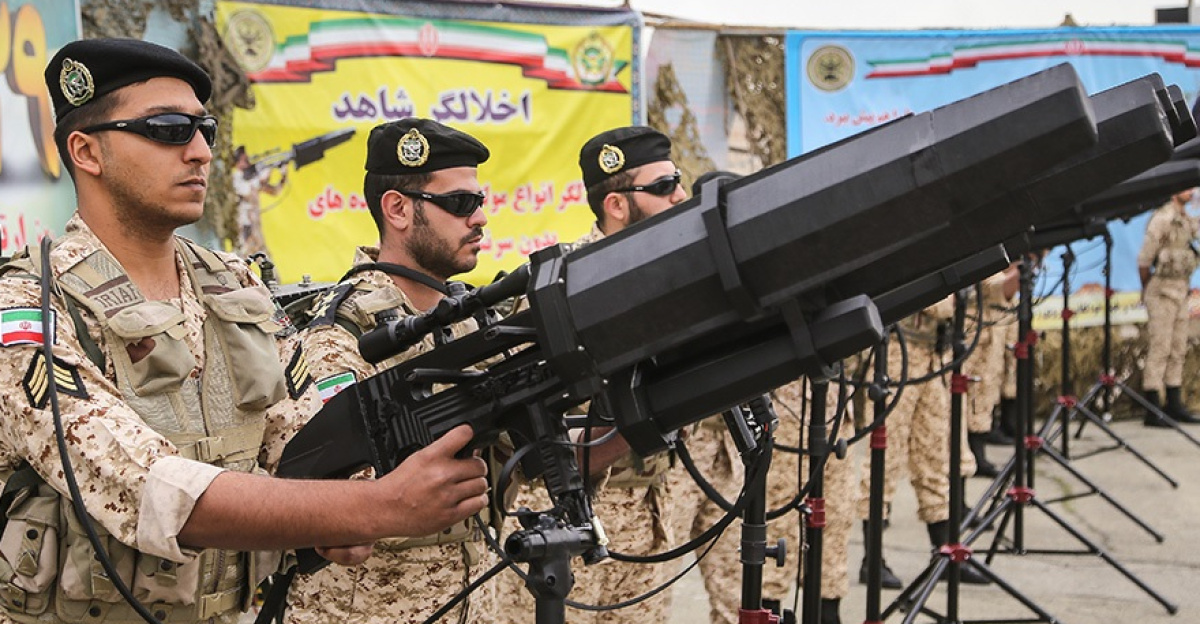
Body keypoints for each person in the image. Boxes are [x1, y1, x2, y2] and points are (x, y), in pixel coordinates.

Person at [0, 38, 488, 624]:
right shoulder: (29, 301)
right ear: (87, 151)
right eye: (169, 129)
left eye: (205, 129)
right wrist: (371, 506)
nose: (202, 152)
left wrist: (347, 500)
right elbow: (145, 485)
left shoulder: (232, 283)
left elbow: (303, 429)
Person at [284, 118, 497, 624]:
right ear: (398, 209)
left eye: (480, 200)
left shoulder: (474, 320)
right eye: (461, 203)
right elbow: (331, 491)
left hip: (472, 601)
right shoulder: (341, 333)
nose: (481, 218)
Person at [493, 125, 687, 624]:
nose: (681, 196)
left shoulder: (677, 275)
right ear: (617, 205)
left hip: (649, 511)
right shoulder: (556, 288)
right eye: (665, 186)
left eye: (677, 181)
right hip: (565, 520)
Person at [856, 298, 989, 587]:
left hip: (931, 354)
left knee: (935, 456)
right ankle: (872, 560)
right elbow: (941, 306)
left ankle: (944, 552)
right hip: (896, 355)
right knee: (884, 462)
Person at [1136, 188, 1200, 427]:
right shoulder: (1162, 219)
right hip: (1161, 291)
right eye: (1187, 188)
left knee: (1178, 347)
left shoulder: (1186, 220)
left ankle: (1174, 403)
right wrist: (1149, 288)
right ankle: (1152, 407)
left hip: (1181, 290)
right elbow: (1144, 260)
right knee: (1160, 347)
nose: (1192, 192)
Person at [962, 265, 1020, 476]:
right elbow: (999, 288)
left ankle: (978, 455)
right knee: (974, 399)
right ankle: (974, 458)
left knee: (985, 396)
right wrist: (1020, 271)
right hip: (975, 337)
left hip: (989, 335)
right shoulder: (984, 265)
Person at [231, 145, 286, 257]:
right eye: (244, 160)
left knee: (265, 261)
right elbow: (249, 189)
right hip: (244, 229)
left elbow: (274, 191)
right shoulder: (236, 178)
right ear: (238, 163)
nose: (248, 162)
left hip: (255, 228)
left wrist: (283, 175)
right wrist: (267, 170)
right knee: (241, 260)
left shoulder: (252, 178)